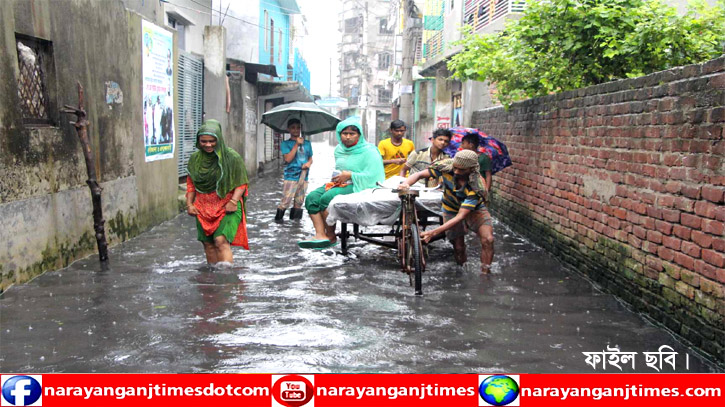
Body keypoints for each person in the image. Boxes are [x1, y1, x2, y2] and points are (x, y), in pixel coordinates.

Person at [399, 150, 494, 273]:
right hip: (450, 208)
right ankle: (463, 271)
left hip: (475, 210)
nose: (456, 172)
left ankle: (485, 274)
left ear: (471, 169)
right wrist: (406, 184)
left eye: (461, 170)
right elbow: (419, 175)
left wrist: (433, 233)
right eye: (455, 168)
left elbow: (461, 216)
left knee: (488, 239)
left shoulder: (477, 186)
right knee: (459, 248)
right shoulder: (446, 168)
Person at [299, 117, 385, 249]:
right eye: (345, 134)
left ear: (359, 135)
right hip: (340, 183)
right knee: (311, 198)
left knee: (326, 198)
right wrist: (340, 177)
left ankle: (331, 236)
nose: (348, 137)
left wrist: (350, 175)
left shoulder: (370, 151)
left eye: (352, 134)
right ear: (339, 135)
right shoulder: (339, 149)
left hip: (359, 185)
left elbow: (374, 176)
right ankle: (320, 235)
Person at [186, 119, 249, 266]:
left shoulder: (232, 158)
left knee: (220, 240)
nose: (208, 145)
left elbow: (241, 183)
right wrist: (189, 204)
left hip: (227, 205)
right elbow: (191, 184)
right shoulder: (195, 160)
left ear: (219, 139)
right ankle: (212, 281)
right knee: (208, 244)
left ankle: (226, 280)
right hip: (202, 206)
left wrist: (233, 202)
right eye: (204, 141)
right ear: (198, 141)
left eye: (212, 141)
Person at [276, 118, 313, 221]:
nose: (296, 130)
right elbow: (287, 159)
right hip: (291, 176)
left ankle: (295, 228)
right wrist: (296, 144)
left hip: (304, 175)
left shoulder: (307, 143)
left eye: (298, 128)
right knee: (285, 202)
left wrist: (308, 164)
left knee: (299, 203)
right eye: (293, 128)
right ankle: (279, 222)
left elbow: (310, 158)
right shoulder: (285, 144)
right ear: (288, 129)